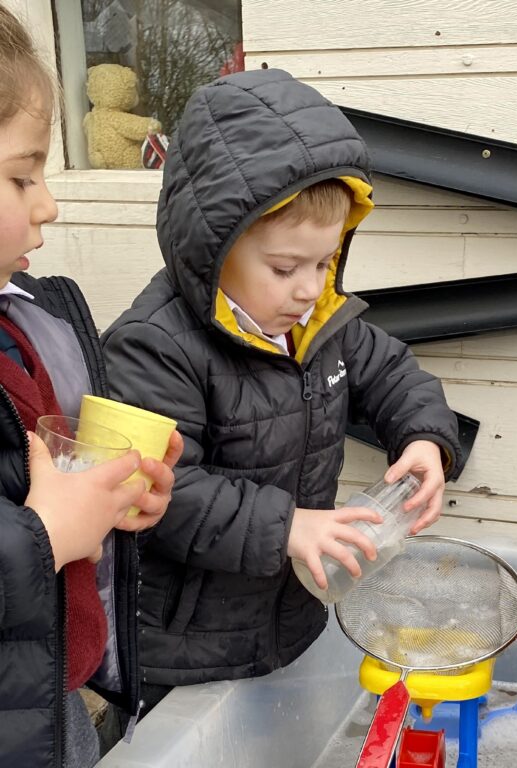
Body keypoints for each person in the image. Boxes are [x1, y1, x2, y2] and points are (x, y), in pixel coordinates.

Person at [99, 68, 461, 726]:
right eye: (285, 268)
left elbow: (395, 373)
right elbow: (158, 492)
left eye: (324, 264)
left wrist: (424, 440)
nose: (307, 289)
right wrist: (289, 526)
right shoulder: (154, 347)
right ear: (212, 250)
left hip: (285, 625)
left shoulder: (316, 328)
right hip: (178, 651)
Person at [0, 6, 182, 767]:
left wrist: (105, 492)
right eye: (21, 175)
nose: (49, 202)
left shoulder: (23, 319)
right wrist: (41, 537)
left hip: (46, 692)